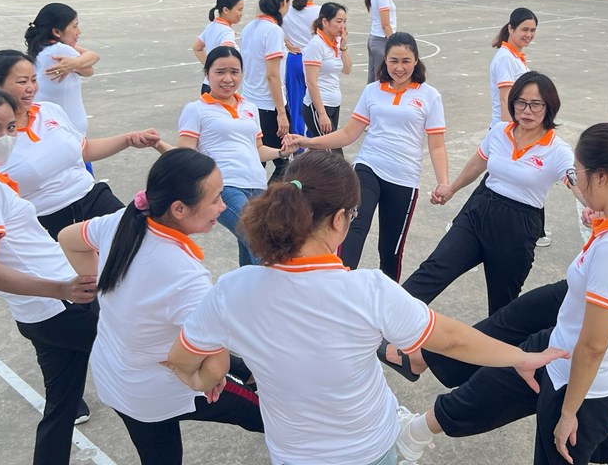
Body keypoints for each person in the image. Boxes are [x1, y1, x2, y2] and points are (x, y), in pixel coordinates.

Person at [164, 150, 567, 465]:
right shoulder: (368, 290)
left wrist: (211, 375)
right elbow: (453, 341)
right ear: (340, 219)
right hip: (368, 447)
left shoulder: (232, 289)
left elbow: (182, 360)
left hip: (291, 452)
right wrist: (519, 356)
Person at [394, 123, 608, 465]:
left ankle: (413, 432)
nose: (576, 183)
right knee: (483, 391)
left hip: (579, 385)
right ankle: (412, 434)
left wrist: (568, 412)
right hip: (557, 351)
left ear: (601, 177)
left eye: (578, 174)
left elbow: (594, 346)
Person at [58, 149, 264, 464]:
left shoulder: (123, 221)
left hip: (117, 379)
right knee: (266, 415)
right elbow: (215, 367)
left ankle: (250, 373)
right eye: (215, 199)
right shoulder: (185, 277)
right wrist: (199, 381)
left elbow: (68, 238)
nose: (222, 206)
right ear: (179, 208)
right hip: (159, 386)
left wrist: (105, 289)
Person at [0, 86, 98, 465]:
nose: (5, 137)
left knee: (61, 409)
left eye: (10, 127)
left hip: (37, 314)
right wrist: (61, 287)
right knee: (156, 348)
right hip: (60, 307)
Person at [402, 72, 573, 315]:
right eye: (521, 102)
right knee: (434, 269)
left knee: (502, 304)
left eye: (536, 104)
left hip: (518, 226)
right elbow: (477, 163)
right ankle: (384, 319)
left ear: (549, 107)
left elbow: (576, 181)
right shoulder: (500, 131)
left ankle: (494, 341)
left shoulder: (558, 150)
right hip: (478, 211)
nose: (527, 111)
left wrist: (594, 207)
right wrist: (451, 188)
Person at [283, 32, 447, 279]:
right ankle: (339, 284)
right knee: (353, 229)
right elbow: (349, 133)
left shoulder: (429, 96)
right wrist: (308, 141)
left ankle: (387, 296)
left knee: (390, 250)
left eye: (406, 61)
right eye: (393, 61)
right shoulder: (372, 91)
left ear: (416, 61)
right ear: (385, 60)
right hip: (368, 166)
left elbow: (437, 146)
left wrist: (443, 182)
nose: (399, 67)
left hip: (404, 177)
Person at [0, 50, 165, 239]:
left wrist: (129, 139)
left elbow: (84, 150)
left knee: (139, 244)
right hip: (44, 222)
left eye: (34, 80)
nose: (31, 88)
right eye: (22, 82)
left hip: (93, 199)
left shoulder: (49, 110)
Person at [177, 46, 293, 266]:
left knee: (251, 253)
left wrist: (281, 152)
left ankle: (248, 288)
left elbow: (258, 150)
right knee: (262, 243)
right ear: (207, 74)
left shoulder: (250, 107)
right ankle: (282, 285)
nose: (228, 79)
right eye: (220, 72)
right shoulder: (196, 109)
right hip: (225, 187)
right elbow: (185, 153)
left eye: (234, 72)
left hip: (258, 187)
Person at [489, 8, 551, 248]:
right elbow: (506, 98)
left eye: (533, 30)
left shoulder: (515, 56)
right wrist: (511, 133)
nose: (529, 34)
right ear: (511, 28)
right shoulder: (506, 58)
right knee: (496, 179)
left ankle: (538, 230)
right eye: (524, 29)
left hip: (516, 129)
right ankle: (463, 222)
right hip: (508, 129)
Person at [239, 0, 291, 181]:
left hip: (249, 102)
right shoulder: (273, 31)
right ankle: (269, 198)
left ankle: (254, 195)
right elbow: (272, 75)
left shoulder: (249, 27)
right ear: (284, 2)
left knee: (256, 160)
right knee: (284, 162)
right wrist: (281, 113)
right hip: (269, 106)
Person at [26, 3, 99, 137]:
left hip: (50, 126)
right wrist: (77, 63)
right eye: (74, 26)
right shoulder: (60, 50)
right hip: (68, 128)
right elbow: (90, 67)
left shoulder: (41, 46)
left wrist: (74, 63)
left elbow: (90, 62)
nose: (79, 31)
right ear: (57, 32)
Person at [301, 2, 352, 145]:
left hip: (334, 103)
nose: (342, 26)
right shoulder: (316, 45)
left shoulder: (336, 43)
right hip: (318, 105)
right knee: (331, 151)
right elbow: (311, 82)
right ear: (325, 22)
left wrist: (343, 46)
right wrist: (322, 114)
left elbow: (347, 70)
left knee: (321, 152)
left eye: (344, 21)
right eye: (338, 21)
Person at [283, 0, 322, 136]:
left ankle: (296, 141)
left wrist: (286, 42)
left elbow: (275, 28)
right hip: (313, 60)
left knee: (295, 101)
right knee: (315, 101)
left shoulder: (286, 12)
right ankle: (313, 139)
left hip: (294, 58)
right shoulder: (319, 11)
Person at [192, 0, 244, 93]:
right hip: (221, 88)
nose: (241, 13)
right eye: (239, 9)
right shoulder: (227, 32)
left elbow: (197, 48)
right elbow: (227, 55)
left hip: (207, 84)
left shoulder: (211, 26)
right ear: (226, 10)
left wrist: (211, 67)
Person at [365, 0, 397, 83]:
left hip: (375, 38)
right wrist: (394, 42)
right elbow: (386, 25)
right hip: (381, 40)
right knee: (381, 82)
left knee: (374, 80)